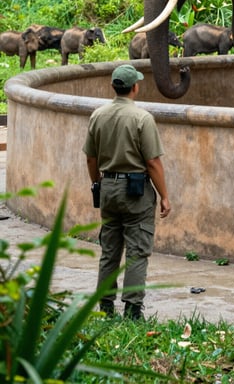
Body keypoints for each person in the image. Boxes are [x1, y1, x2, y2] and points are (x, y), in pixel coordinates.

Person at [83, 63, 171, 320]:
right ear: (135, 87)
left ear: (113, 87)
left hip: (108, 186)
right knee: (137, 252)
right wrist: (164, 195)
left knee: (109, 251)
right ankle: (132, 310)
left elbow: (90, 157)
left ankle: (105, 308)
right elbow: (153, 162)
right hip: (135, 191)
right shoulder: (142, 118)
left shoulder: (98, 115)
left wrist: (97, 182)